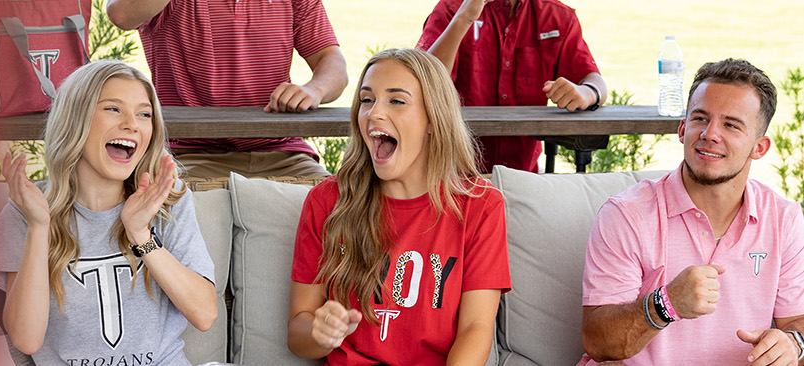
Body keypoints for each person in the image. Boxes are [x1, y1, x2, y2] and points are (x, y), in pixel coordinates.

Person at [0, 60, 219, 366]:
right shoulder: (26, 210)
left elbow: (204, 314)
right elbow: (26, 338)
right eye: (113, 109)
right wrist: (39, 227)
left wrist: (140, 235)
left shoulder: (168, 201)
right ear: (75, 119)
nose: (132, 124)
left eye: (144, 114)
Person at [286, 48, 511, 365]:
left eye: (396, 100)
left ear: (433, 119)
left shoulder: (481, 206)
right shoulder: (327, 201)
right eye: (367, 100)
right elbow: (298, 334)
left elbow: (476, 328)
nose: (374, 113)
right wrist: (320, 333)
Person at [579, 59, 804, 365]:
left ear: (759, 147)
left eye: (731, 125)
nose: (710, 133)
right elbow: (598, 341)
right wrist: (666, 303)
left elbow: (797, 322)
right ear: (683, 129)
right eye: (700, 118)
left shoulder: (784, 220)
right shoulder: (626, 215)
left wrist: (794, 343)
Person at [106, 0, 349, 178]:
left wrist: (315, 89)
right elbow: (121, 13)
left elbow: (332, 62)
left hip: (282, 152)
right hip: (188, 154)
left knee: (331, 215)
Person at [417, 0, 608, 173]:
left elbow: (594, 80)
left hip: (523, 175)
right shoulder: (452, 8)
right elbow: (421, 81)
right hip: (453, 174)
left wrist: (587, 93)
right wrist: (464, 18)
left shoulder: (557, 15)